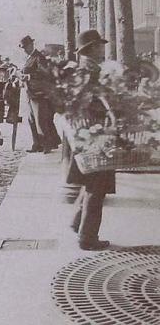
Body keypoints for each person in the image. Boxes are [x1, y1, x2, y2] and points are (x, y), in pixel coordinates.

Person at [67, 29, 115, 250]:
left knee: (90, 183)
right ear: (92, 48)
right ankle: (87, 238)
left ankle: (77, 222)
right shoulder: (91, 71)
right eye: (100, 45)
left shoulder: (82, 69)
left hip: (85, 133)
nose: (103, 48)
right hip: (94, 133)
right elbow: (96, 103)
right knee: (98, 186)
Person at [19, 35, 60, 154]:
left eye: (26, 47)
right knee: (31, 119)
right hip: (30, 92)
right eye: (23, 48)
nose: (24, 49)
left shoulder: (39, 57)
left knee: (41, 119)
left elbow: (46, 74)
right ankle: (37, 144)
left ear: (32, 45)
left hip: (39, 93)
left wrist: (29, 76)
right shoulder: (28, 58)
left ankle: (47, 144)